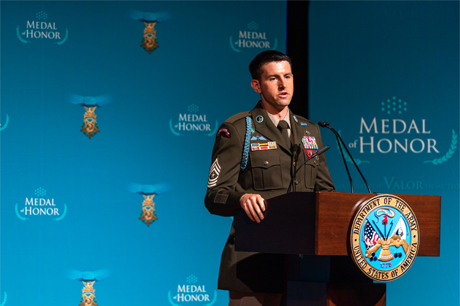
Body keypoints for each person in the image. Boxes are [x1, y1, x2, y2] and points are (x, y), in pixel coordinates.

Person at [205, 50, 335, 306]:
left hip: (305, 266)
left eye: (287, 76)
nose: (283, 84)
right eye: (274, 78)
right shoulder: (238, 129)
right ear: (257, 85)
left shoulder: (311, 131)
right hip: (254, 264)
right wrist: (241, 198)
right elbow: (214, 195)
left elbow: (326, 193)